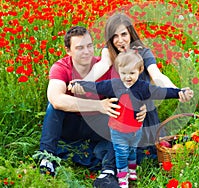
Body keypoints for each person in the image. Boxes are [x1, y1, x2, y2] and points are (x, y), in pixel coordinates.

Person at [71, 13, 194, 164]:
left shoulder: (143, 52)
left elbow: (157, 75)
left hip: (143, 114)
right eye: (115, 36)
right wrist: (83, 83)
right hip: (121, 115)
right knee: (116, 148)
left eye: (124, 34)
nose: (120, 40)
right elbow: (101, 66)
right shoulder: (109, 51)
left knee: (149, 150)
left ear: (131, 33)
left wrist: (177, 91)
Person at [38, 26, 146, 188]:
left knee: (121, 113)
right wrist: (98, 105)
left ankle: (107, 173)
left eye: (89, 46)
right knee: (53, 107)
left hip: (97, 126)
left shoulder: (104, 67)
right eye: (80, 48)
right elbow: (56, 99)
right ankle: (47, 158)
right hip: (71, 124)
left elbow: (128, 91)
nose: (87, 52)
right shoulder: (61, 67)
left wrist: (140, 107)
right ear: (68, 51)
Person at [73, 49, 194, 188]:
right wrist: (81, 84)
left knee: (132, 150)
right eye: (124, 73)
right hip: (118, 129)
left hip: (136, 129)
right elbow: (96, 87)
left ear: (140, 70)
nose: (128, 77)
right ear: (119, 71)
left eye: (132, 73)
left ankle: (132, 170)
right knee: (121, 153)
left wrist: (179, 92)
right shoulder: (113, 85)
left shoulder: (142, 87)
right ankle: (122, 177)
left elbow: (161, 91)